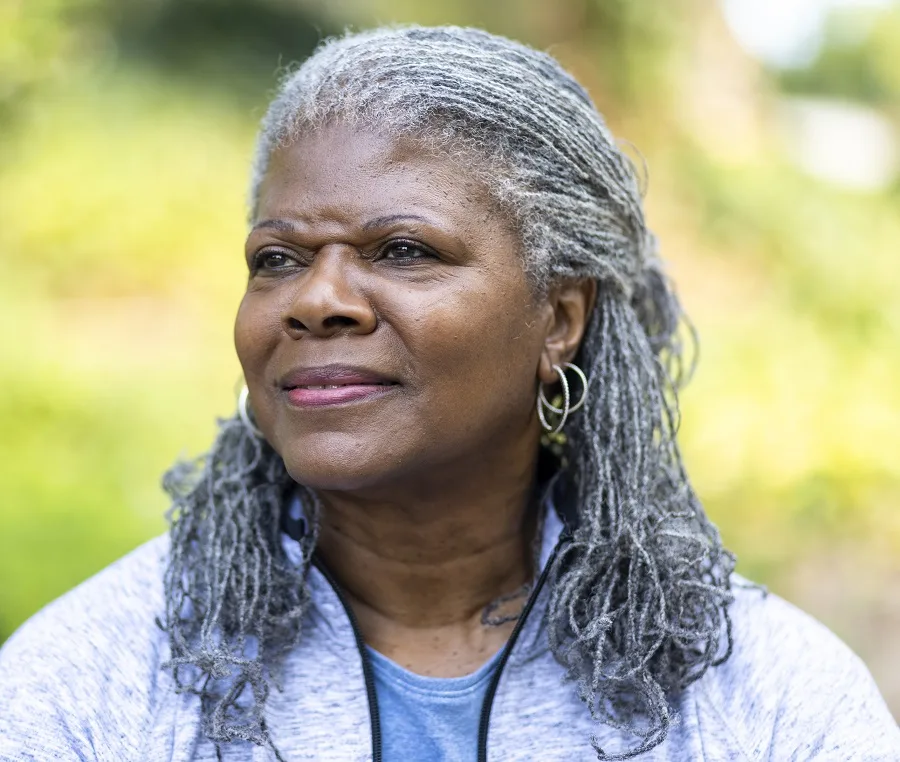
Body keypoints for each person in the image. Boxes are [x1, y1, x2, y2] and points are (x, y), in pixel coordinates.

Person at [0, 25, 897, 762]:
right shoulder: (91, 681)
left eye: (403, 251)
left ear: (560, 318)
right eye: (278, 259)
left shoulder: (766, 699)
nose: (316, 300)